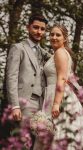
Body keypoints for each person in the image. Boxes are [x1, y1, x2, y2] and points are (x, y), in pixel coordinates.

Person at [34, 24, 83, 150]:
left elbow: (62, 79)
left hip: (58, 97)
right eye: (51, 34)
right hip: (56, 94)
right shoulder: (60, 53)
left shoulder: (60, 53)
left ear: (65, 39)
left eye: (58, 35)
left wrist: (56, 104)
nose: (54, 37)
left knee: (61, 133)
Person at [6, 14, 50, 149]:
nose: (39, 31)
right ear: (28, 27)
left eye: (42, 29)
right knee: (24, 142)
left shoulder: (44, 53)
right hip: (24, 101)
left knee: (40, 142)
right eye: (36, 27)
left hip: (42, 104)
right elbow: (11, 77)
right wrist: (15, 105)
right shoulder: (18, 48)